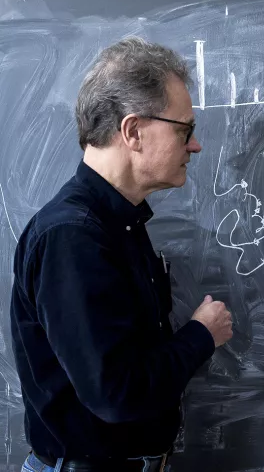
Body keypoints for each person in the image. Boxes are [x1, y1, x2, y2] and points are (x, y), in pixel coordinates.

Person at [10, 37, 233, 472]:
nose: (195, 146)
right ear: (132, 131)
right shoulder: (73, 239)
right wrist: (201, 336)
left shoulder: (115, 226)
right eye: (184, 131)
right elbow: (115, 393)